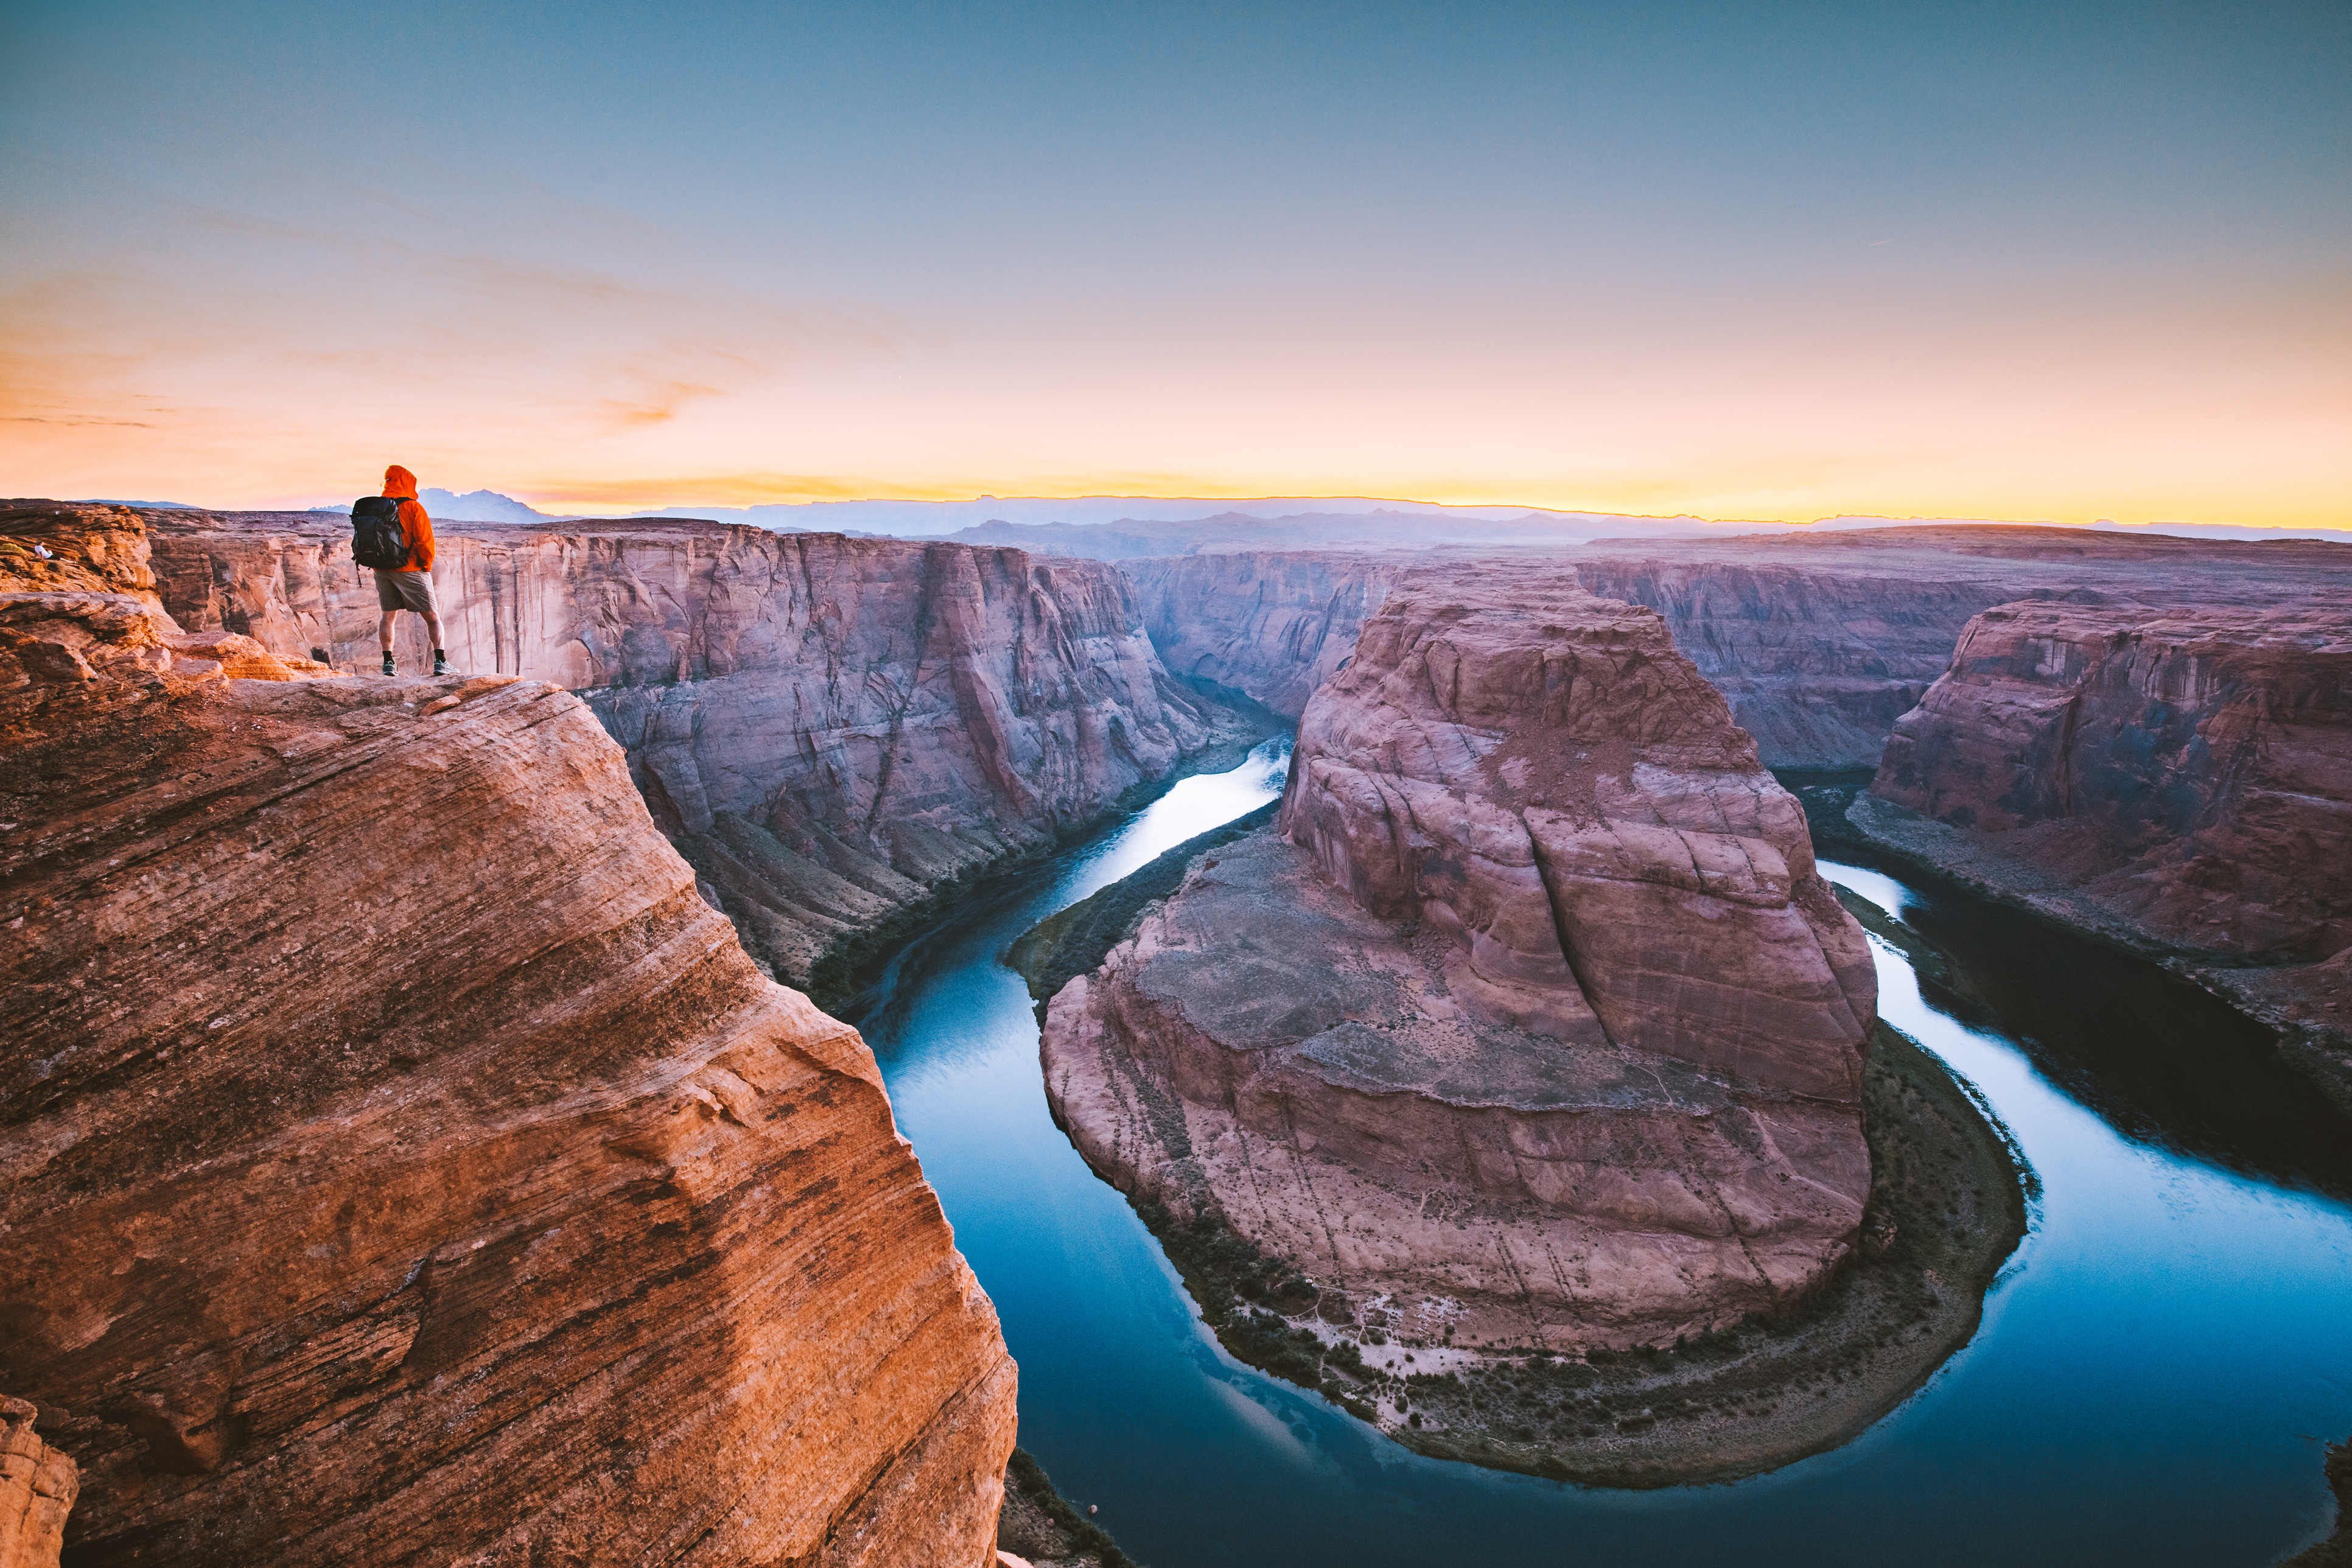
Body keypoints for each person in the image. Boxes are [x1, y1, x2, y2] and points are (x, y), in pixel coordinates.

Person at [374, 465, 448, 677]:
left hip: (381, 569)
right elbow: (425, 543)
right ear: (407, 483)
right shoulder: (413, 508)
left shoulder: (375, 507)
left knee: (388, 617)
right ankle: (441, 662)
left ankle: (388, 663)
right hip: (411, 568)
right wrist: (425, 566)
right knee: (432, 618)